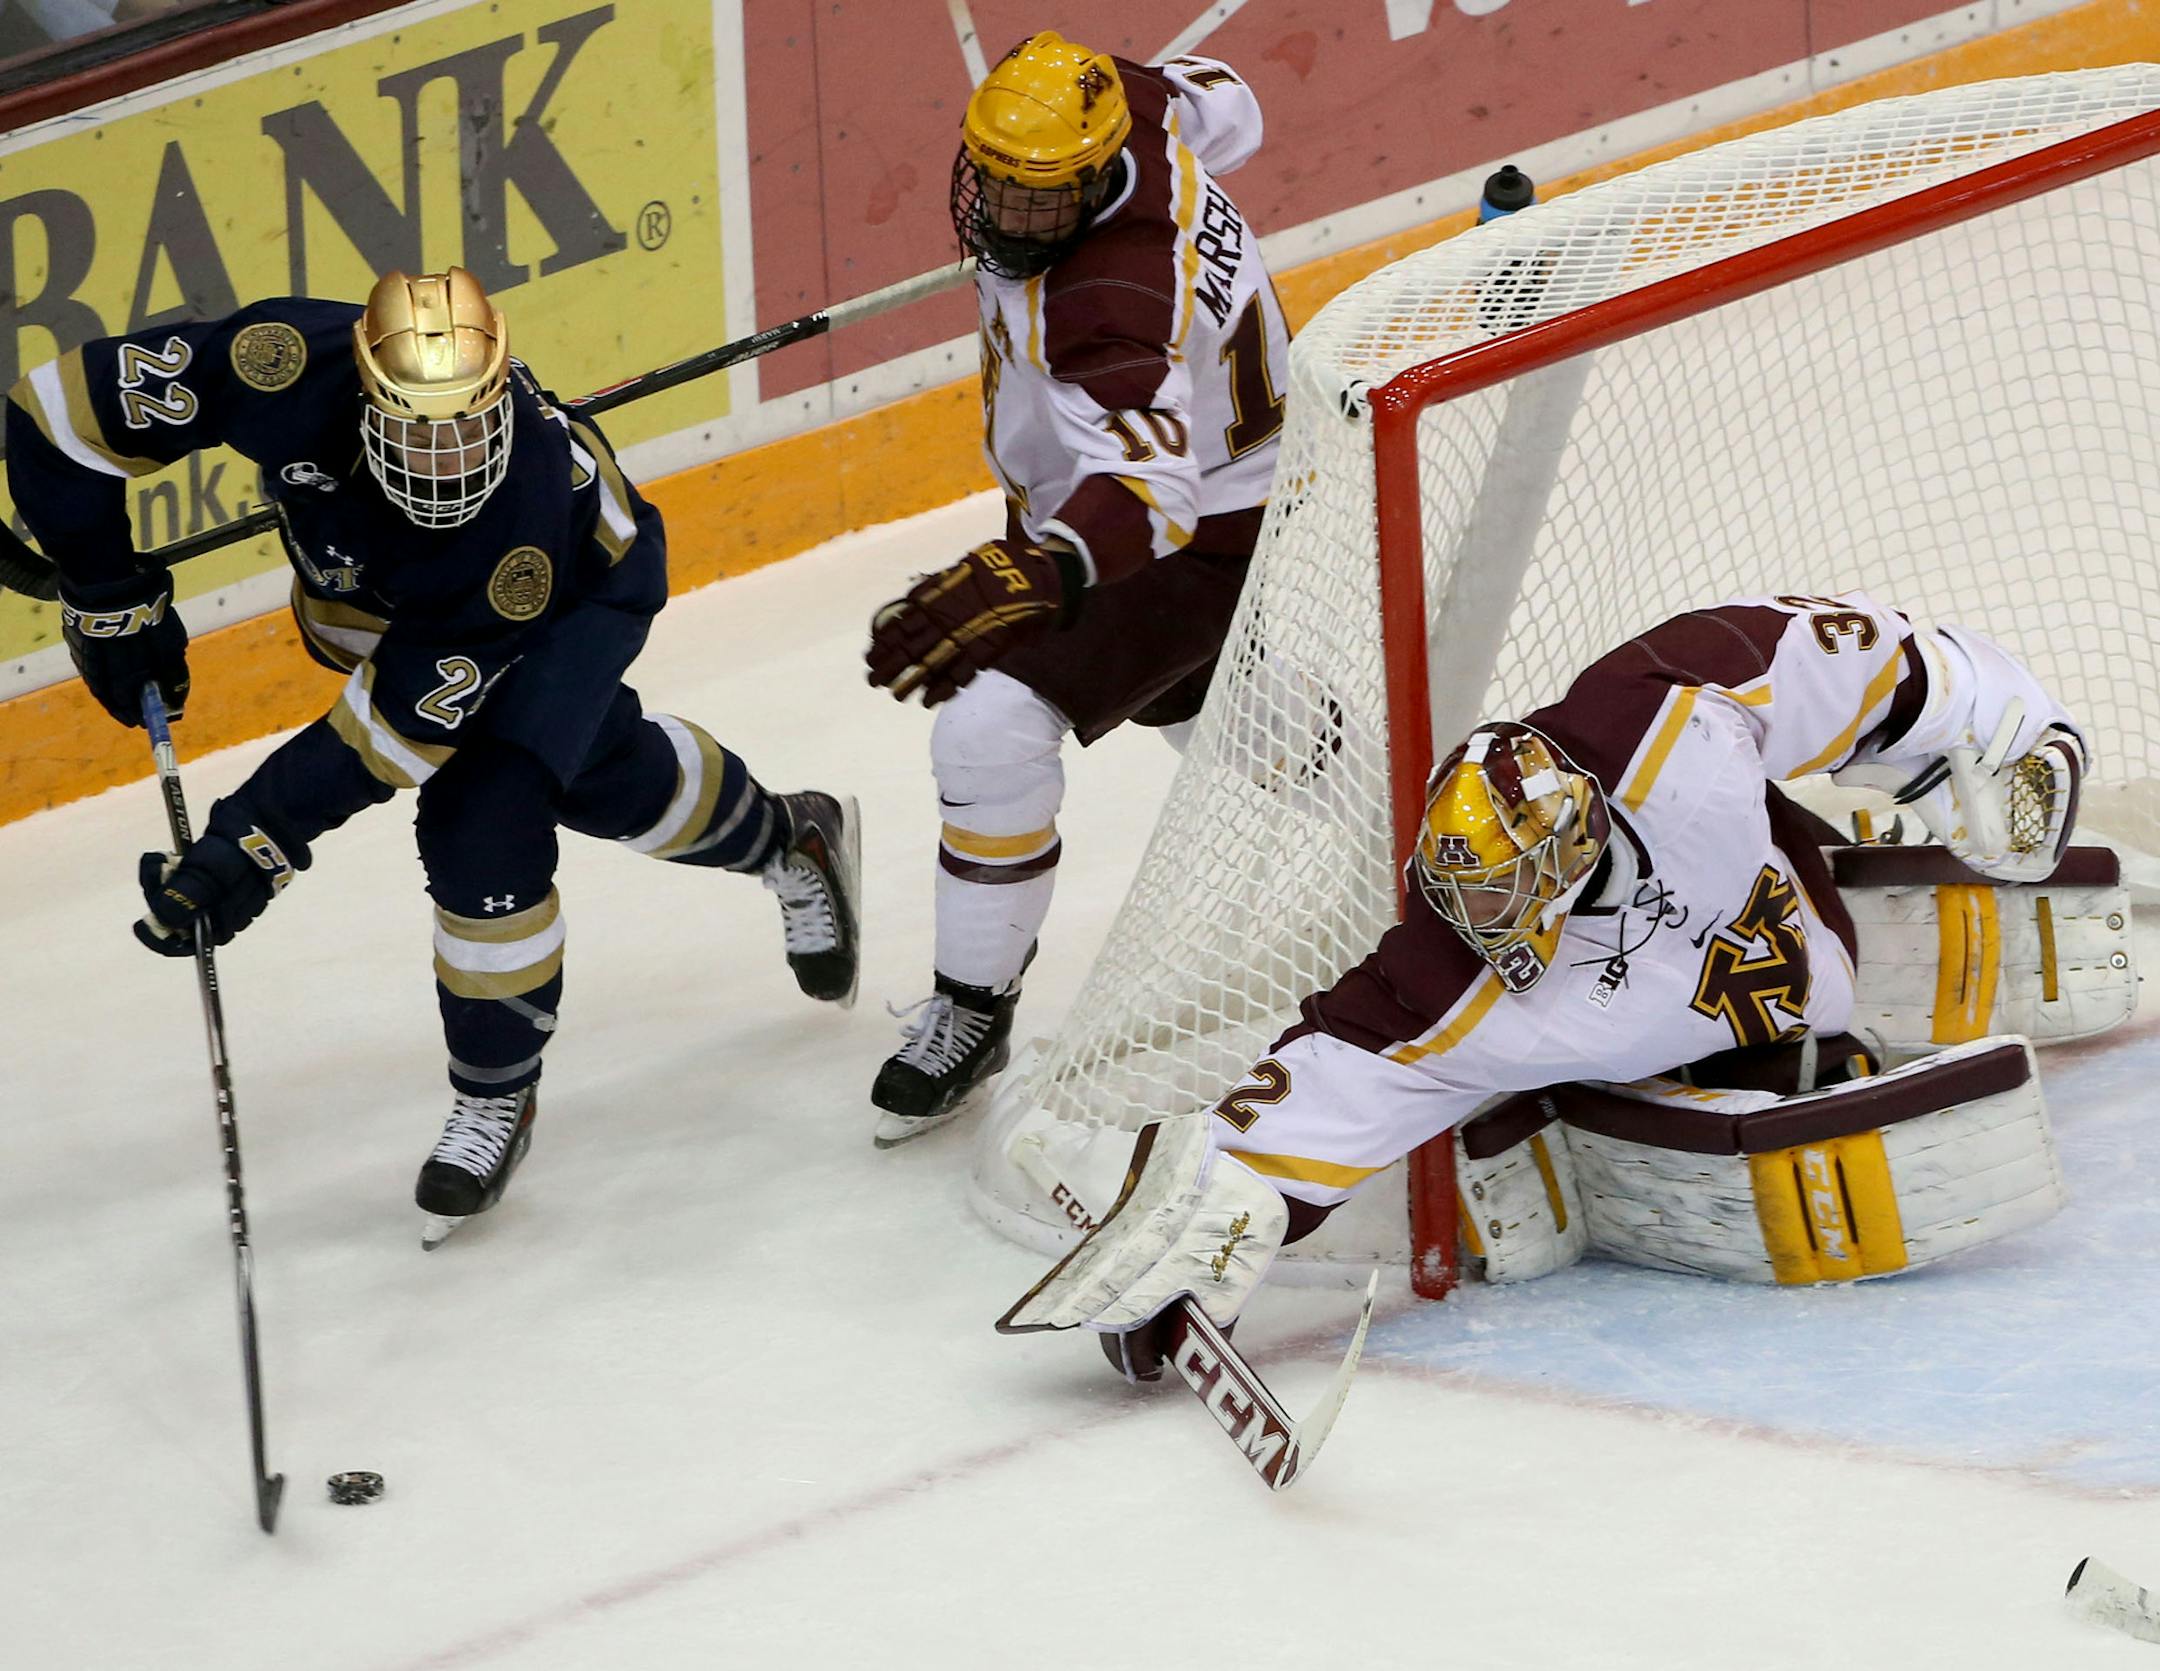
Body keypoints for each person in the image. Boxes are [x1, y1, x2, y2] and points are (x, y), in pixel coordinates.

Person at [999, 591, 2096, 1363]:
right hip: (1685, 1047)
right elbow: (1323, 1078)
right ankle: (1584, 1112)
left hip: (1803, 953)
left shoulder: (1665, 715)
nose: (1476, 923)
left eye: (1502, 896)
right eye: (1460, 891)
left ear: (1571, 850)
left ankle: (1759, 1036)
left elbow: (1885, 661)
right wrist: (1222, 1215)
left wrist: (2014, 735)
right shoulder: (1445, 972)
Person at [8, 268, 860, 1242]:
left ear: (500, 395)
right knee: (594, 768)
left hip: (571, 601)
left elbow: (392, 734)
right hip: (383, 596)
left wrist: (251, 842)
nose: (448, 457)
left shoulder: (513, 533)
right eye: (417, 428)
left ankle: (498, 1088)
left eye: (466, 424)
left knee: (480, 820)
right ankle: (794, 836)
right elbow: (57, 411)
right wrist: (102, 587)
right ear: (365, 394)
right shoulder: (277, 362)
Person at [864, 31, 1290, 1147]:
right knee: (1236, 723)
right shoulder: (1135, 103)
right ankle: (1422, 823)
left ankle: (972, 1007)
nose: (1009, 213)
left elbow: (1154, 501)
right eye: (995, 180)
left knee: (989, 732)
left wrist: (1036, 568)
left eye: (1043, 199)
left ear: (1099, 180)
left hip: (1193, 538)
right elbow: (1234, 103)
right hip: (1227, 495)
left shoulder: (1106, 300)